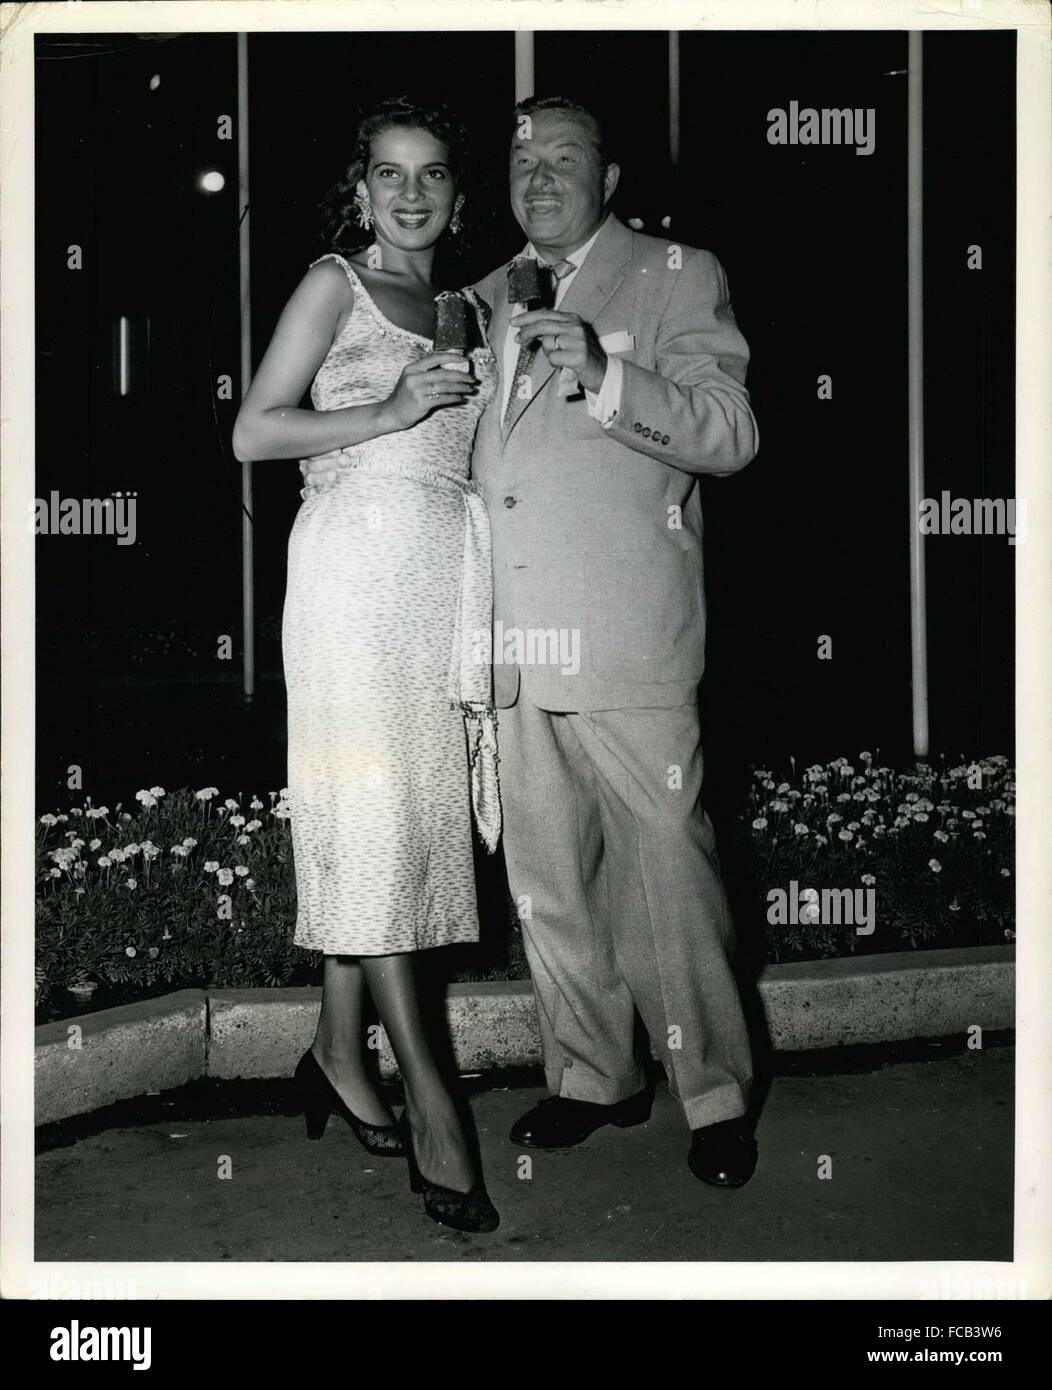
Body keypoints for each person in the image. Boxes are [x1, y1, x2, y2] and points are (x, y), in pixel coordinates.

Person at [469, 95, 762, 1187]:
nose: (537, 176)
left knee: (667, 876)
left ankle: (714, 1093)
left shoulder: (675, 273)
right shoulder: (483, 292)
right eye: (519, 160)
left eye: (563, 158)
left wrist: (602, 373)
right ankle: (592, 1074)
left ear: (611, 177)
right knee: (549, 880)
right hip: (511, 642)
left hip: (627, 636)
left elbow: (729, 433)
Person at [232, 97, 500, 1233]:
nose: (410, 193)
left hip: (439, 585)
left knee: (406, 827)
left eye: (431, 174)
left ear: (454, 191)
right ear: (358, 190)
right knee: (384, 826)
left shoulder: (468, 308)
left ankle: (336, 1049)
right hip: (351, 578)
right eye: (387, 174)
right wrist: (388, 408)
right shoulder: (331, 284)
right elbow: (253, 429)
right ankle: (435, 1109)